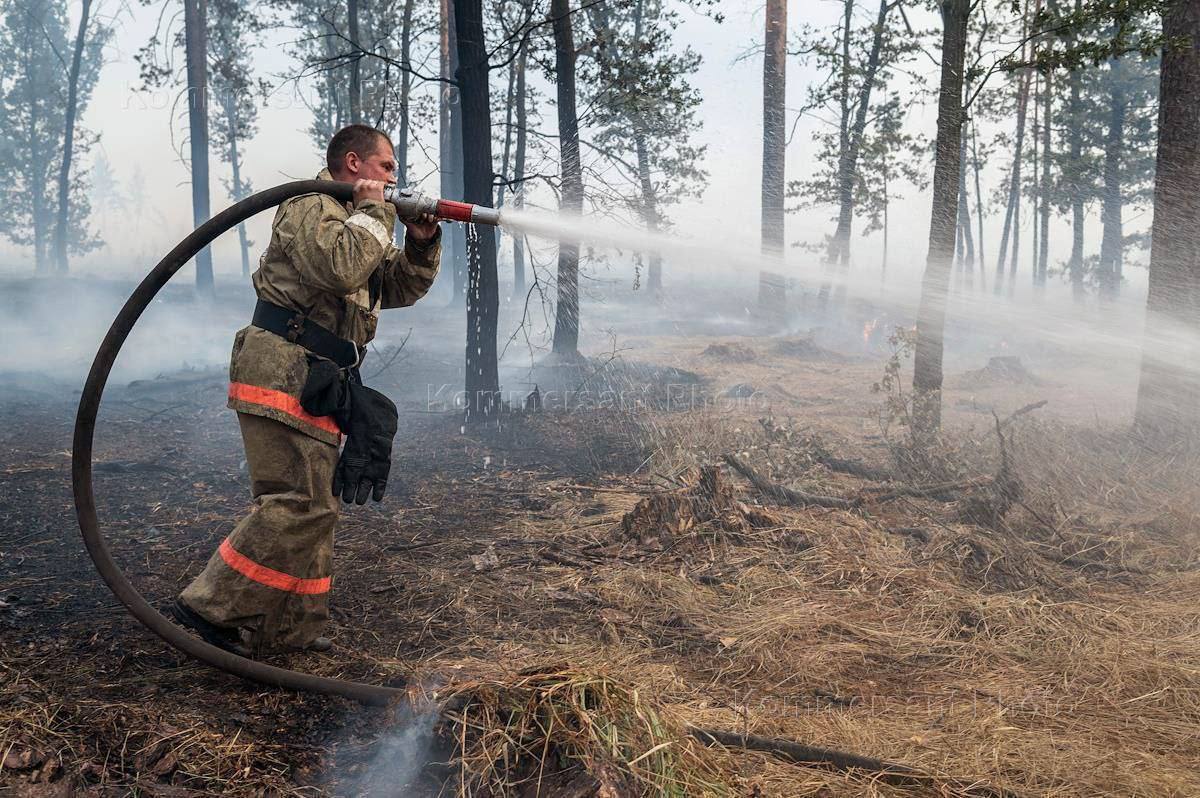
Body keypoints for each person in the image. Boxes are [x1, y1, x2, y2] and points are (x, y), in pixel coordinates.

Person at [171, 124, 441, 656]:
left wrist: (421, 241)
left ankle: (291, 629)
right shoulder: (309, 206)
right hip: (282, 371)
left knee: (319, 503)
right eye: (386, 167)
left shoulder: (360, 223)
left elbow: (396, 286)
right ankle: (211, 604)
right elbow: (340, 268)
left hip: (321, 380)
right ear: (353, 164)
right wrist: (377, 212)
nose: (394, 177)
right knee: (300, 502)